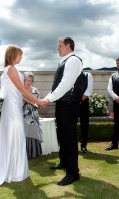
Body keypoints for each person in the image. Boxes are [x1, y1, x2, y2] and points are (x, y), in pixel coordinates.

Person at [0, 45, 47, 187]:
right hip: (13, 109)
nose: (21, 57)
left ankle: (16, 168)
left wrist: (34, 102)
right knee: (15, 136)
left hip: (14, 106)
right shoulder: (10, 69)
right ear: (13, 55)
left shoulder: (11, 69)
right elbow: (22, 89)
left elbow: (20, 91)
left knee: (15, 136)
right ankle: (13, 170)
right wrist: (38, 101)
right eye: (20, 55)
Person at [43, 36, 83, 186]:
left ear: (68, 46)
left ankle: (73, 173)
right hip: (62, 103)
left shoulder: (73, 60)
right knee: (62, 135)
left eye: (59, 45)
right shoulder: (64, 61)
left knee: (69, 137)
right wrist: (46, 98)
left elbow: (65, 85)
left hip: (69, 104)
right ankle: (64, 163)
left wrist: (48, 99)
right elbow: (57, 87)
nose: (57, 47)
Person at [23, 71, 43, 159]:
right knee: (24, 134)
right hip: (23, 115)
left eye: (30, 80)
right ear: (23, 80)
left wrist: (37, 104)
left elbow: (39, 103)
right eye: (27, 80)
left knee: (34, 133)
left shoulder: (35, 90)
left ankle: (34, 153)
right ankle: (24, 154)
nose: (28, 82)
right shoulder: (20, 89)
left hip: (34, 116)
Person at [79, 71, 93, 153]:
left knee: (84, 125)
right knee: (71, 125)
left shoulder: (88, 75)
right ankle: (72, 146)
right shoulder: (71, 74)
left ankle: (83, 146)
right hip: (73, 104)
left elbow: (89, 90)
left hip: (84, 103)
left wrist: (79, 100)